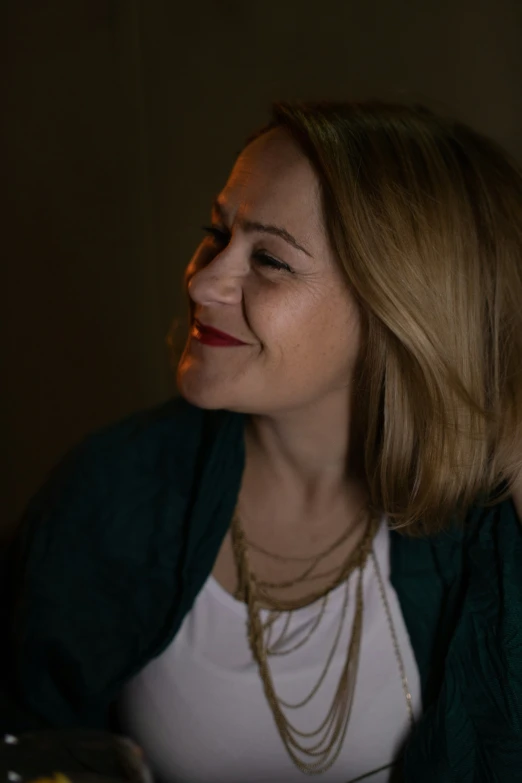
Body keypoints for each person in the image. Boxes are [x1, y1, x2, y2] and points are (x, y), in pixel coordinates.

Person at [4, 100, 522, 783]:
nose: (202, 278)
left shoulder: (489, 520)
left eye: (270, 259)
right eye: (216, 233)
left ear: (401, 307)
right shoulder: (110, 491)